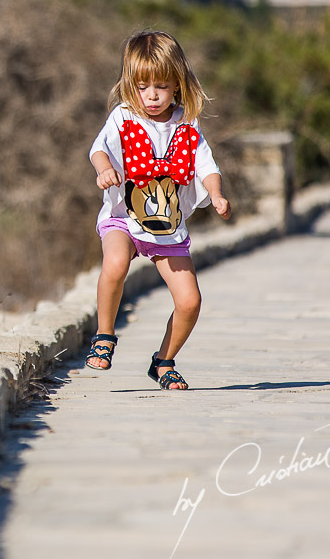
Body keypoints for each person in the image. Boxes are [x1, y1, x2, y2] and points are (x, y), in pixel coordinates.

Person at [82, 30, 230, 389]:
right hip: (124, 218)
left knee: (190, 301)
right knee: (115, 264)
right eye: (142, 86)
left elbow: (207, 166)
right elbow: (99, 149)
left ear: (177, 85)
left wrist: (217, 194)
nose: (151, 95)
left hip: (166, 228)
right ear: (130, 85)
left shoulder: (186, 124)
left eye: (161, 86)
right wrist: (104, 170)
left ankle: (164, 361)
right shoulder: (123, 117)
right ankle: (104, 335)